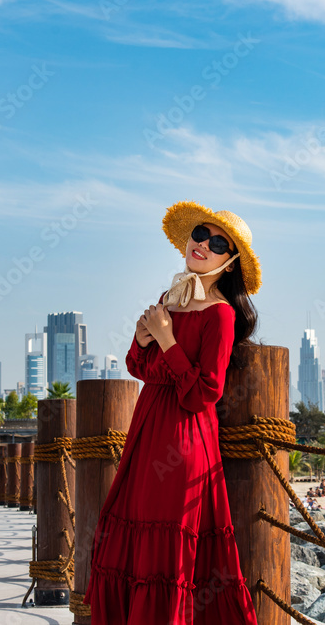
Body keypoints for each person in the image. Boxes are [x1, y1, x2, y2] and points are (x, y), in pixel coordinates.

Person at [82, 202, 261, 625]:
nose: (204, 245)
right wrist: (144, 341)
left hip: (184, 441)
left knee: (168, 547)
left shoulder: (221, 314)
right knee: (128, 529)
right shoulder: (169, 300)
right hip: (145, 435)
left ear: (230, 261)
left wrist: (165, 340)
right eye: (201, 234)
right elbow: (136, 368)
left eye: (219, 243)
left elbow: (204, 393)